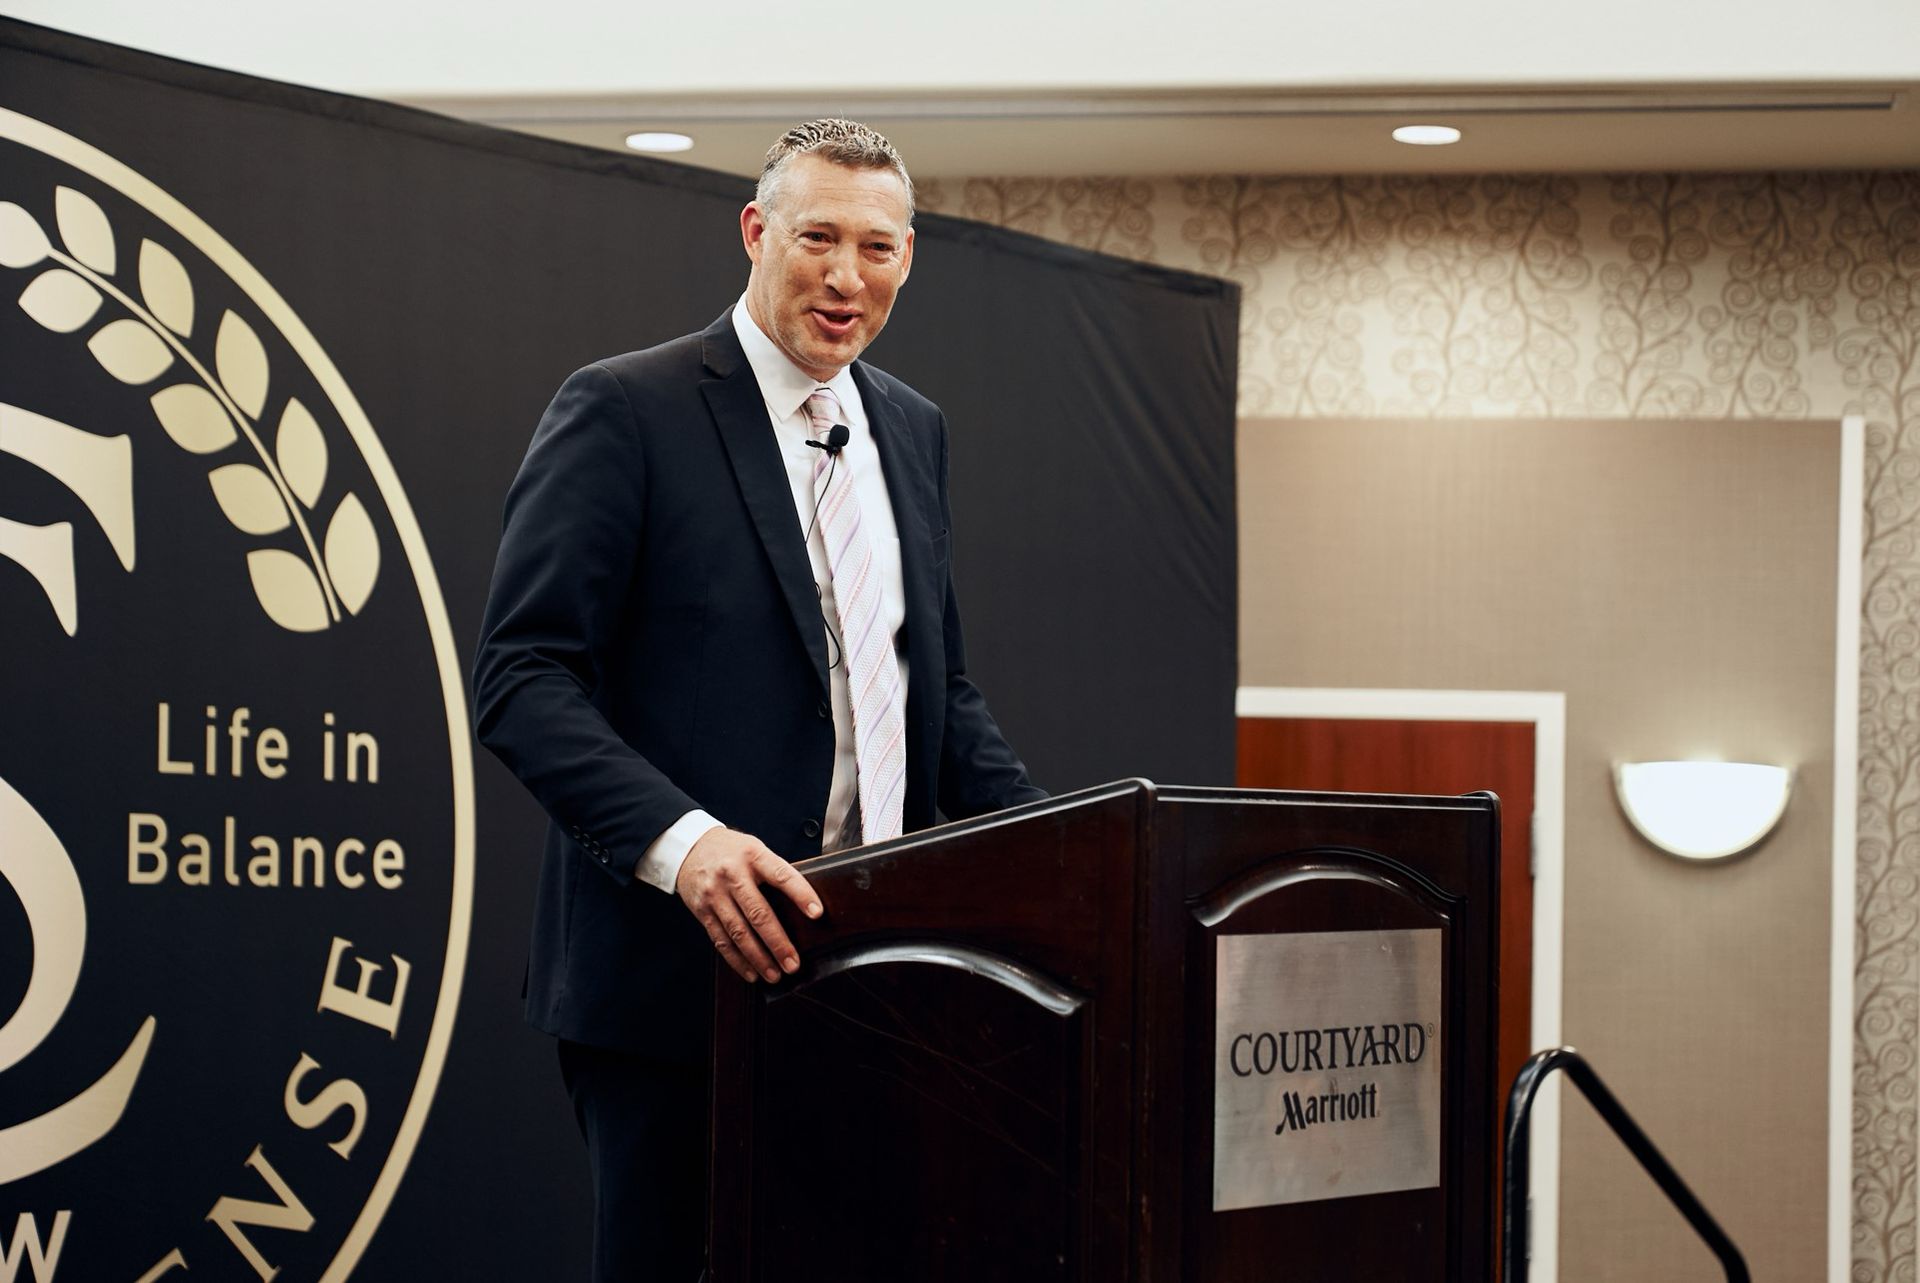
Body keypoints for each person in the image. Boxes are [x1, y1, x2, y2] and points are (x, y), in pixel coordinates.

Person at [472, 118, 1045, 1281]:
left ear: (909, 256)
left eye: (876, 248)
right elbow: (525, 677)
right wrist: (685, 848)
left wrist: (1066, 852)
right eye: (817, 237)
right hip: (679, 990)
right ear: (755, 232)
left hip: (880, 984)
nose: (846, 277)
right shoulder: (626, 409)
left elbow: (933, 686)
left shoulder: (912, 427)